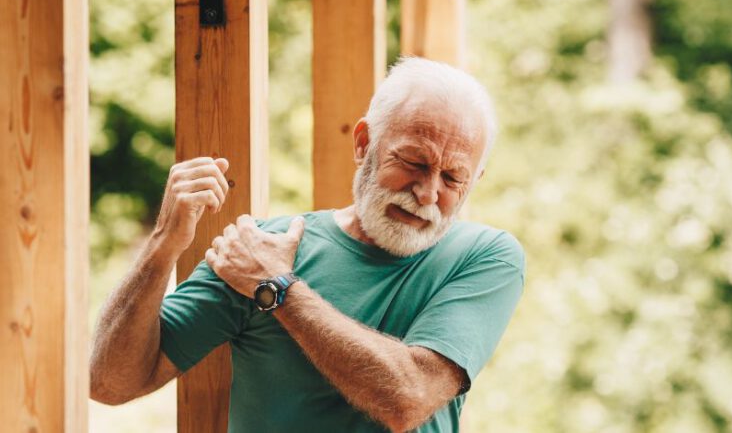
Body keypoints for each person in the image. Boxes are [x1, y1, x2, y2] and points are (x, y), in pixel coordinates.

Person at [89, 57, 525, 432]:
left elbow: (408, 398)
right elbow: (109, 383)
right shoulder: (261, 249)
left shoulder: (485, 258)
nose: (428, 192)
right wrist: (164, 244)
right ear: (364, 143)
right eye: (413, 162)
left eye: (453, 178)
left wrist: (277, 289)